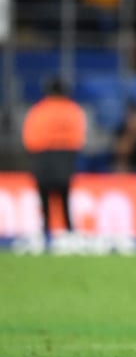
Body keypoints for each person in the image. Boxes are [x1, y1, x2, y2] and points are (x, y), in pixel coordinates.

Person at [21, 78, 87, 246]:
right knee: (64, 195)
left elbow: (30, 139)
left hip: (43, 157)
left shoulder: (38, 110)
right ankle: (69, 232)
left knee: (44, 196)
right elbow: (78, 138)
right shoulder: (73, 110)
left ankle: (45, 233)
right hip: (65, 156)